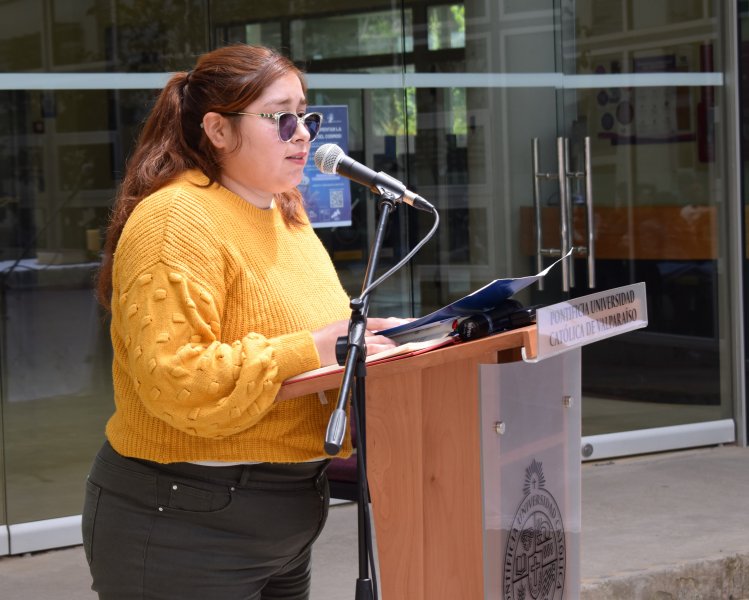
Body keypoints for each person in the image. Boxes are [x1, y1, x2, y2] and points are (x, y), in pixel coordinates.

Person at [82, 44, 405, 600]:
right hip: (187, 521)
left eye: (305, 115)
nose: (302, 134)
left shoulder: (284, 212)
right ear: (218, 129)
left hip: (287, 514)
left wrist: (374, 341)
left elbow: (316, 337)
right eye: (281, 118)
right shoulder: (175, 219)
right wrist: (312, 347)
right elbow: (175, 378)